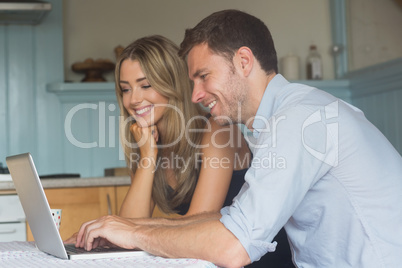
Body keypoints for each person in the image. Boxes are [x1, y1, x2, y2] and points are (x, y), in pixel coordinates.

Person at [75, 10, 402, 268]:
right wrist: (120, 228)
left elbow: (234, 247)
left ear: (244, 62)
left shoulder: (299, 120)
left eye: (203, 77)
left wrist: (133, 232)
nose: (196, 95)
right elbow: (231, 219)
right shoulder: (281, 120)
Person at [113, 35, 251, 219]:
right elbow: (129, 226)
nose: (134, 100)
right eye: (126, 89)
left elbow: (196, 226)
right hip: (207, 247)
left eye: (145, 85)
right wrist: (147, 156)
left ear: (173, 84)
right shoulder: (147, 143)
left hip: (260, 248)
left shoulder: (218, 130)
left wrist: (126, 230)